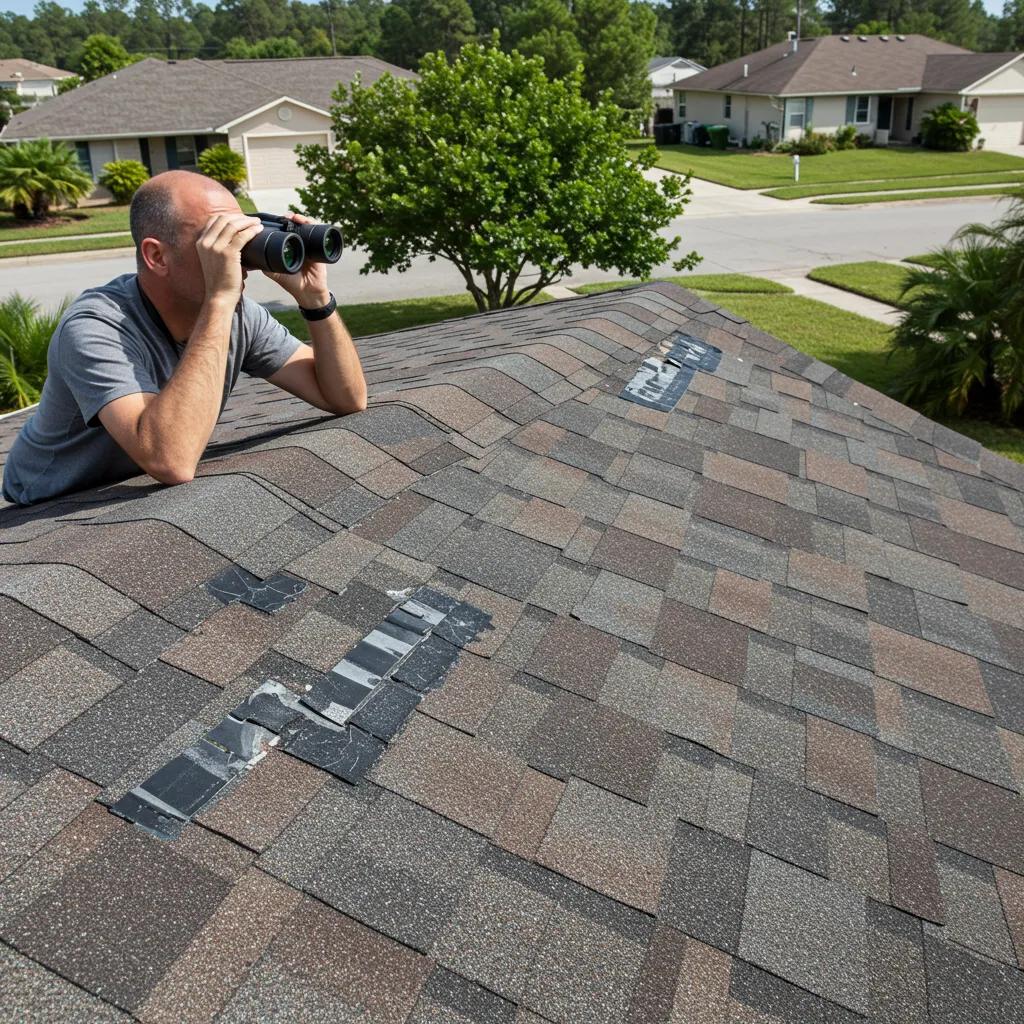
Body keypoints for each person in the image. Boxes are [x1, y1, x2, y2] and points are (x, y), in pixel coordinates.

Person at [1, 170, 367, 506]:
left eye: (241, 234)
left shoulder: (238, 315)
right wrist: (220, 299)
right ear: (157, 256)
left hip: (132, 487)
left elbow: (346, 397)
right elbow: (171, 459)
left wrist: (315, 299)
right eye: (217, 239)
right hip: (49, 505)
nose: (235, 255)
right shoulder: (95, 326)